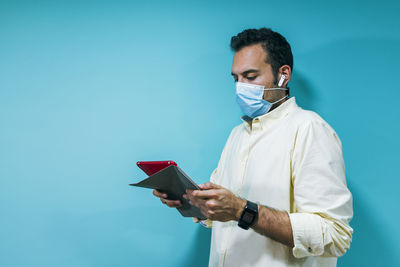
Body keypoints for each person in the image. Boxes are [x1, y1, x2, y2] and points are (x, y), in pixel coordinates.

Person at [153, 28, 353, 267]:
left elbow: (334, 236)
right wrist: (187, 201)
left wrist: (242, 210)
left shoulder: (310, 129)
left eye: (250, 76)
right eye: (236, 79)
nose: (240, 87)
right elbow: (221, 214)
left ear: (283, 75)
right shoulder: (237, 135)